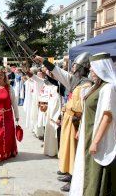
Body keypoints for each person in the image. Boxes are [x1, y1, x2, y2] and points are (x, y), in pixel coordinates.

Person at [34, 53, 92, 192]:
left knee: (74, 150)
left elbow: (83, 107)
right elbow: (59, 73)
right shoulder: (75, 81)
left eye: (75, 66)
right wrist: (44, 62)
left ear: (81, 68)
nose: (72, 67)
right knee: (67, 148)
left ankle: (75, 178)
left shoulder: (86, 85)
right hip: (68, 119)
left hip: (75, 121)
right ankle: (69, 172)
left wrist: (77, 120)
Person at [70, 53, 116, 196]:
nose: (90, 71)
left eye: (93, 69)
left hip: (96, 135)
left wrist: (96, 141)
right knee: (84, 167)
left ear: (101, 68)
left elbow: (107, 117)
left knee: (93, 170)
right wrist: (81, 129)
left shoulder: (108, 88)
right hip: (87, 133)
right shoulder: (96, 86)